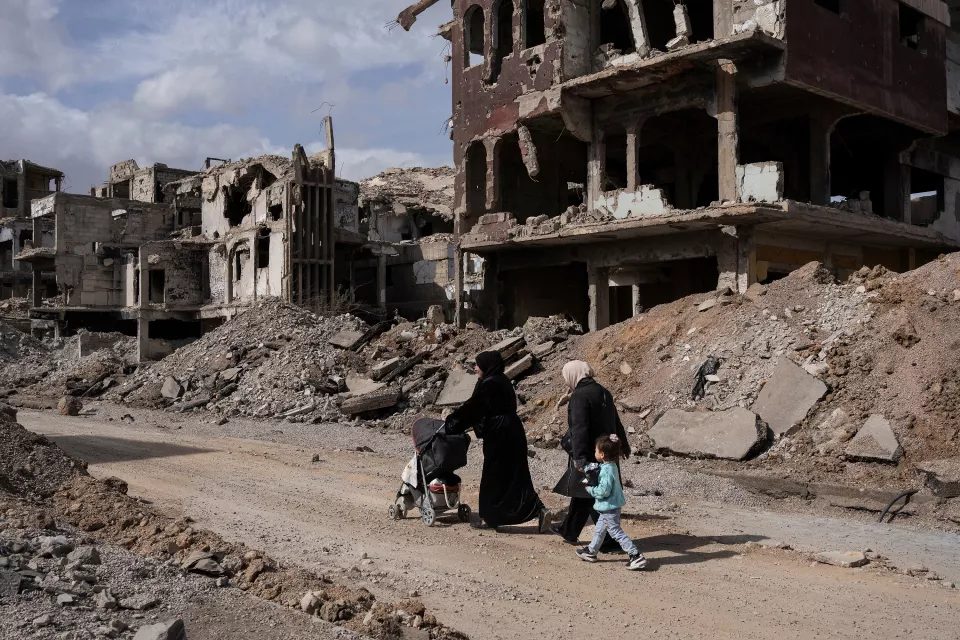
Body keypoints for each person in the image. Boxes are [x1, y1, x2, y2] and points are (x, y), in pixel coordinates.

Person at [445, 351, 552, 532]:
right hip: (511, 430)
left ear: (487, 366)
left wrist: (452, 423)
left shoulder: (490, 383)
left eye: (478, 365)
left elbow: (473, 408)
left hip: (500, 433)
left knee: (493, 476)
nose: (475, 368)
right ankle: (537, 509)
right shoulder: (499, 379)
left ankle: (490, 517)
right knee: (516, 475)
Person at [552, 360, 631, 547]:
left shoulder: (579, 396)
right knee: (583, 492)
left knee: (593, 495)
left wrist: (579, 457)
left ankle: (609, 541)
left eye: (566, 377)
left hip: (590, 453)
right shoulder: (604, 391)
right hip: (607, 451)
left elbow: (579, 429)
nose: (565, 381)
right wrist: (623, 445)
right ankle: (569, 530)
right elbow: (616, 422)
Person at [576, 434, 647, 570]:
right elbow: (597, 469)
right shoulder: (611, 466)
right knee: (599, 530)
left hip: (609, 508)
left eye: (595, 451)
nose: (594, 453)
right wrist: (584, 468)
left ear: (602, 454)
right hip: (608, 508)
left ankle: (635, 555)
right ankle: (591, 551)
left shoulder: (607, 471)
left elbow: (604, 491)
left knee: (615, 532)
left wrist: (590, 489)